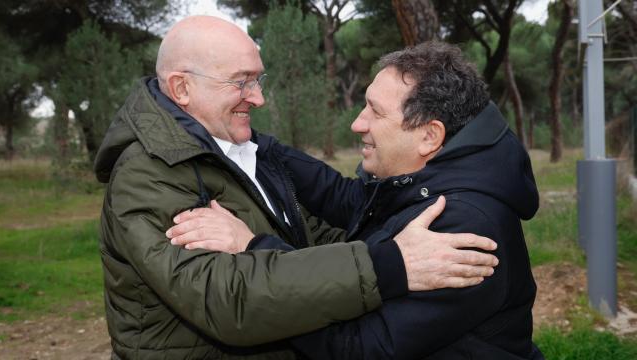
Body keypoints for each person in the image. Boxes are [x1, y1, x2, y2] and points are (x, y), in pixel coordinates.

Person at [94, 16, 498, 359]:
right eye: (241, 82)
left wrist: (255, 243)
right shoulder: (147, 175)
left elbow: (311, 235)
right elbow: (231, 303)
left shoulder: (240, 150)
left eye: (258, 79)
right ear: (182, 88)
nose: (259, 97)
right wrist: (390, 265)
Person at [169, 42, 544, 359]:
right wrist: (254, 143)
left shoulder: (461, 224)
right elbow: (347, 199)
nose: (358, 123)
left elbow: (359, 345)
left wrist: (250, 246)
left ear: (429, 137)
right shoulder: (430, 181)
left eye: (375, 112)